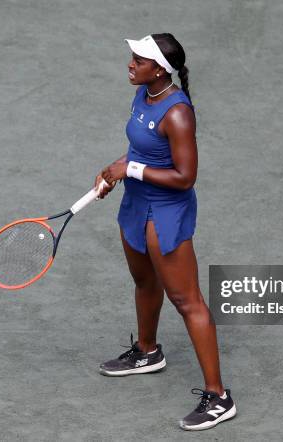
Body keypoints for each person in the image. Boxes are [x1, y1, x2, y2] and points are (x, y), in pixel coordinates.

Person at [94, 34, 236, 431]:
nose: (130, 64)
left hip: (165, 212)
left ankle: (219, 397)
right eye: (132, 58)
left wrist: (131, 171)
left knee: (186, 300)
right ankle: (147, 351)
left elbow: (185, 177)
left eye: (138, 60)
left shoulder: (177, 113)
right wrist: (114, 168)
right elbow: (142, 151)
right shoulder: (144, 95)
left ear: (159, 69)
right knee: (144, 281)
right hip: (135, 206)